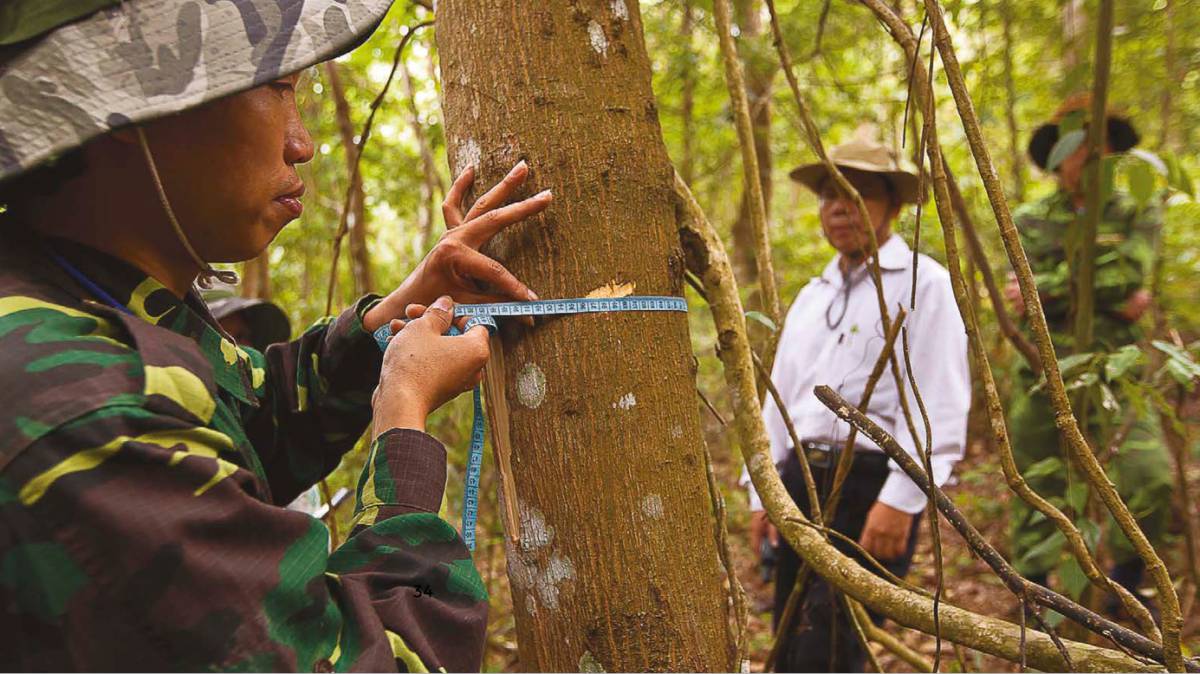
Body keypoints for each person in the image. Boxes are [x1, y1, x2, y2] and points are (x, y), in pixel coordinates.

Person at [0, 1, 552, 670]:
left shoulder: (86, 296)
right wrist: (402, 423)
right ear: (131, 102)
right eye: (276, 87)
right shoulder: (83, 416)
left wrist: (393, 318)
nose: (303, 142)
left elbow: (252, 412)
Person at [745, 136, 971, 671]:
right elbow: (781, 397)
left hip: (869, 486)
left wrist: (900, 499)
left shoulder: (925, 284)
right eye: (828, 195)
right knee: (790, 632)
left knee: (831, 647)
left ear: (892, 204)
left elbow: (939, 404)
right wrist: (763, 492)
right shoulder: (813, 295)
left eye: (856, 192)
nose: (839, 207)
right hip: (800, 481)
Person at [1005, 93, 1172, 610]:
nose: (1091, 156)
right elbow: (1020, 295)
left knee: (1150, 475)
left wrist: (1049, 286)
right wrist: (1102, 282)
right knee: (1035, 479)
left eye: (1101, 145)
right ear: (1060, 154)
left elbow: (1129, 277)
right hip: (1042, 363)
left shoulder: (1137, 209)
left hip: (1116, 368)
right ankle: (1033, 598)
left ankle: (1127, 588)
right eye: (1080, 145)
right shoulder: (1029, 217)